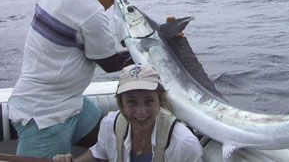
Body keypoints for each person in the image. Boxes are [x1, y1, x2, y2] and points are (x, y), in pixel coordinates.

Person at [8, 0, 134, 159]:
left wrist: (101, 4)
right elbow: (110, 63)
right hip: (45, 115)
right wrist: (152, 53)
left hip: (71, 102)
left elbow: (76, 22)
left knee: (116, 146)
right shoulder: (90, 13)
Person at [53, 64, 204, 162]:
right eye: (132, 101)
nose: (141, 111)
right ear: (121, 103)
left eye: (149, 101)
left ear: (160, 100)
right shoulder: (111, 125)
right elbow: (99, 155)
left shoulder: (183, 144)